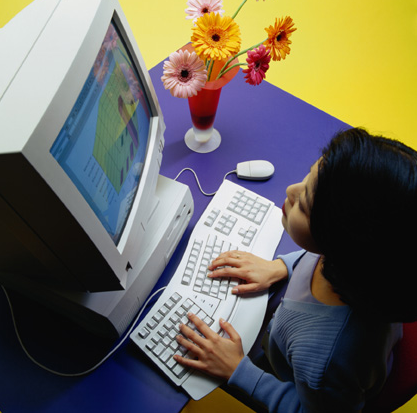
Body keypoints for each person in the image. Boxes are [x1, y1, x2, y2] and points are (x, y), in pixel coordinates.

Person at [173, 128, 417, 412]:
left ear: (342, 244)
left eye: (305, 203)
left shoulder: (328, 362)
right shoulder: (363, 266)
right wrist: (283, 266)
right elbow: (321, 255)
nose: (291, 191)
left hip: (305, 383)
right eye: (307, 179)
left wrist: (238, 371)